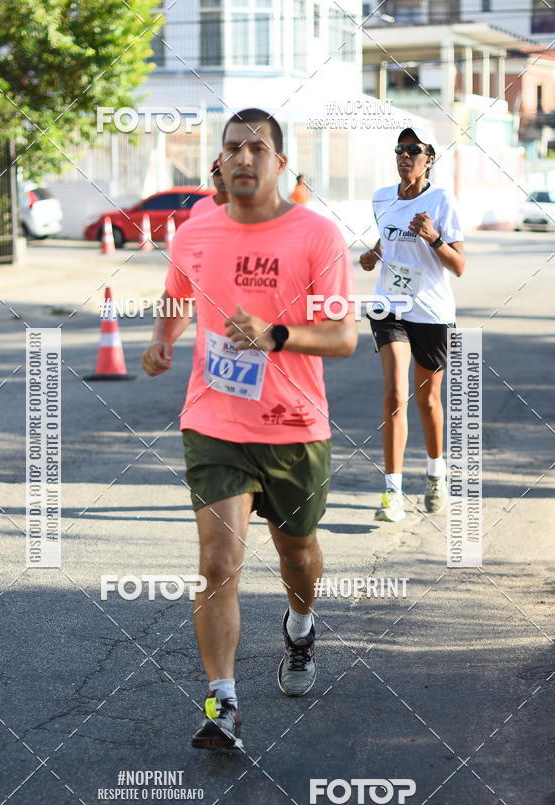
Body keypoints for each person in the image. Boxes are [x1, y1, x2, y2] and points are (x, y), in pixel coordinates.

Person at [142, 108, 357, 750]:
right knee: (218, 561)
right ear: (220, 159)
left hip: (294, 425)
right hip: (214, 421)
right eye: (232, 148)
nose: (243, 158)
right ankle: (223, 703)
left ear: (279, 162)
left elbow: (344, 336)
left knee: (297, 554)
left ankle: (299, 623)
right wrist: (162, 341)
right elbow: (179, 295)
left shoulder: (317, 237)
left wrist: (274, 336)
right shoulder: (195, 232)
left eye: (256, 148)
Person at [359, 125, 465, 523]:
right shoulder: (382, 198)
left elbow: (459, 266)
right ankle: (392, 492)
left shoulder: (442, 201)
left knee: (429, 400)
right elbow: (385, 243)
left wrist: (434, 238)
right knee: (394, 391)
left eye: (413, 149)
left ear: (429, 159)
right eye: (400, 149)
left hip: (432, 312)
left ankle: (436, 472)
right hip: (390, 307)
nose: (405, 155)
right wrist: (371, 256)